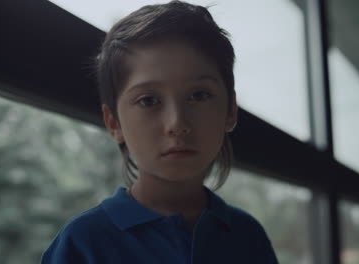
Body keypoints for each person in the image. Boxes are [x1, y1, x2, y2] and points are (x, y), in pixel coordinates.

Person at [41, 1, 279, 263]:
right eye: (148, 100)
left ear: (230, 111)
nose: (177, 123)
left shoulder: (248, 237)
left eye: (199, 95)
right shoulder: (82, 243)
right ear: (114, 123)